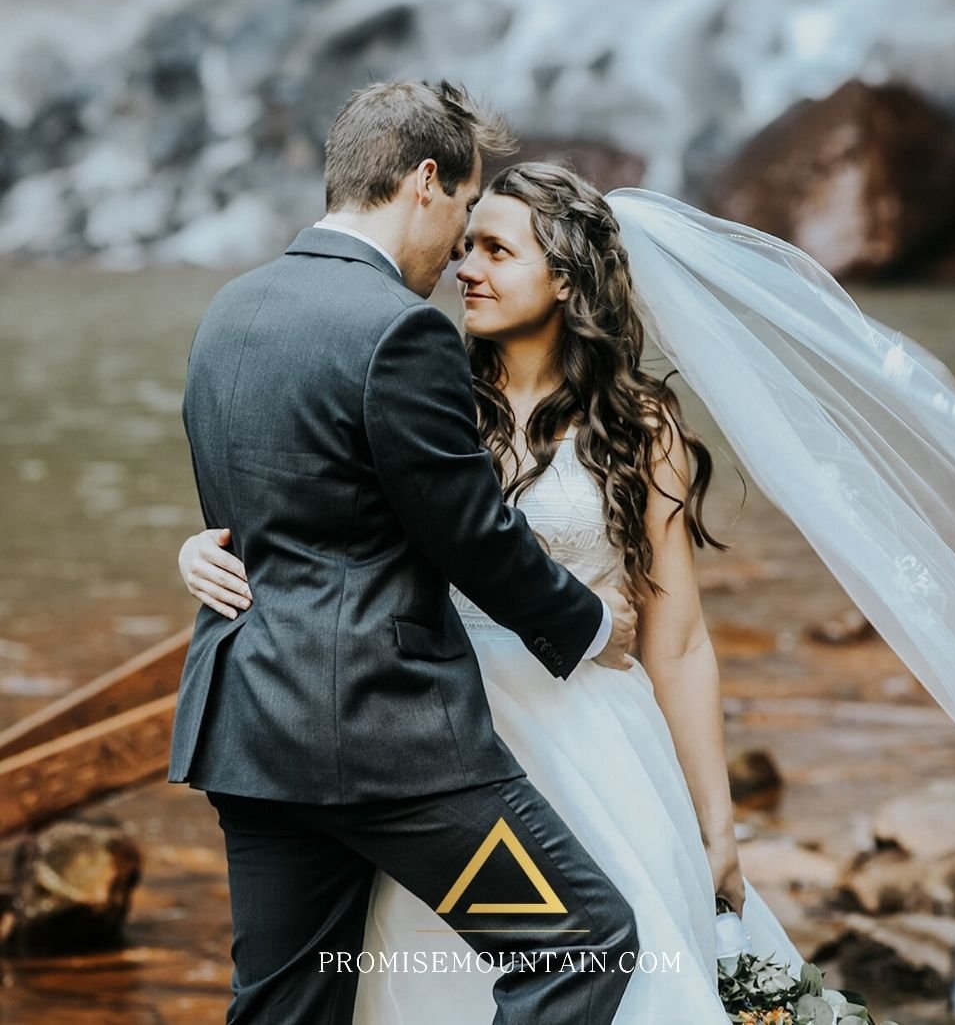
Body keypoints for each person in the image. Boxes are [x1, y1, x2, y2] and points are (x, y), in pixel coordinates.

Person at [183, 158, 955, 1022]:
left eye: (496, 251)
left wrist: (716, 822)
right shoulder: (426, 391)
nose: (466, 269)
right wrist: (200, 549)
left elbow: (678, 639)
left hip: (594, 737)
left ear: (567, 280)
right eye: (465, 247)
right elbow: (321, 521)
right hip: (430, 734)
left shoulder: (641, 430)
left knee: (617, 968)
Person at [167, 84, 643, 1025]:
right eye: (467, 211)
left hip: (248, 729)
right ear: (426, 181)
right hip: (381, 746)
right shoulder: (398, 327)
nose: (458, 245)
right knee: (580, 943)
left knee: (284, 1004)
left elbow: (258, 503)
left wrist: (193, 551)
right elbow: (467, 529)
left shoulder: (232, 306)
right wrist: (589, 625)